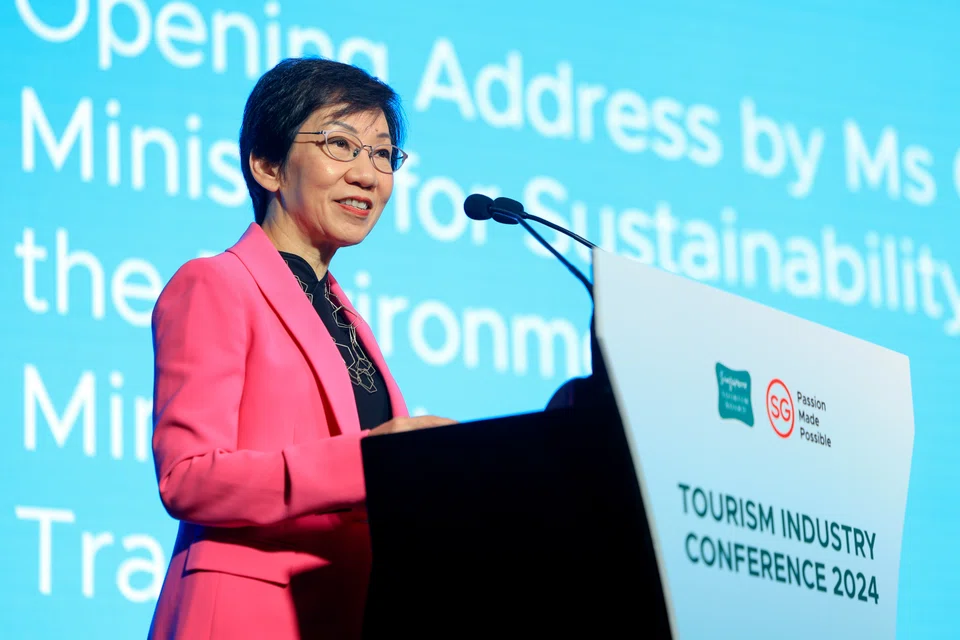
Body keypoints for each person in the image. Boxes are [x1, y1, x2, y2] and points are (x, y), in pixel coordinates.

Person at [147, 57, 455, 640]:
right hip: (246, 613)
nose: (368, 174)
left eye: (384, 154)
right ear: (267, 165)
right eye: (341, 145)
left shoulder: (346, 318)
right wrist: (372, 459)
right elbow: (187, 477)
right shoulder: (216, 283)